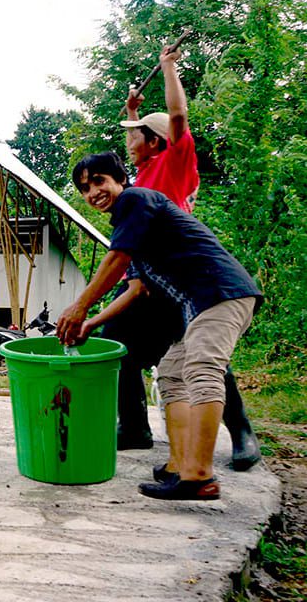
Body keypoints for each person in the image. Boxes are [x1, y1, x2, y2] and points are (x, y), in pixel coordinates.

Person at [57, 152, 261, 500]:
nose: (93, 193)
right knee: (171, 372)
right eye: (85, 189)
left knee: (202, 369)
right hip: (197, 305)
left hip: (218, 292)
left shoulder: (137, 200)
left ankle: (199, 476)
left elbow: (116, 259)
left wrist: (79, 307)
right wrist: (91, 322)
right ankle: (179, 465)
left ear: (121, 180)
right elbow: (135, 288)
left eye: (99, 181)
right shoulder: (132, 228)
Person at [104, 42, 260, 471]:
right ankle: (134, 426)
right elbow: (143, 132)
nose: (128, 139)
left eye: (135, 134)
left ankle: (242, 432)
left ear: (155, 142)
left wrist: (168, 68)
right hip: (150, 276)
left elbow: (176, 118)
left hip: (180, 277)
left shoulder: (174, 162)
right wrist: (131, 109)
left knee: (201, 354)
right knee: (118, 344)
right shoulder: (142, 173)